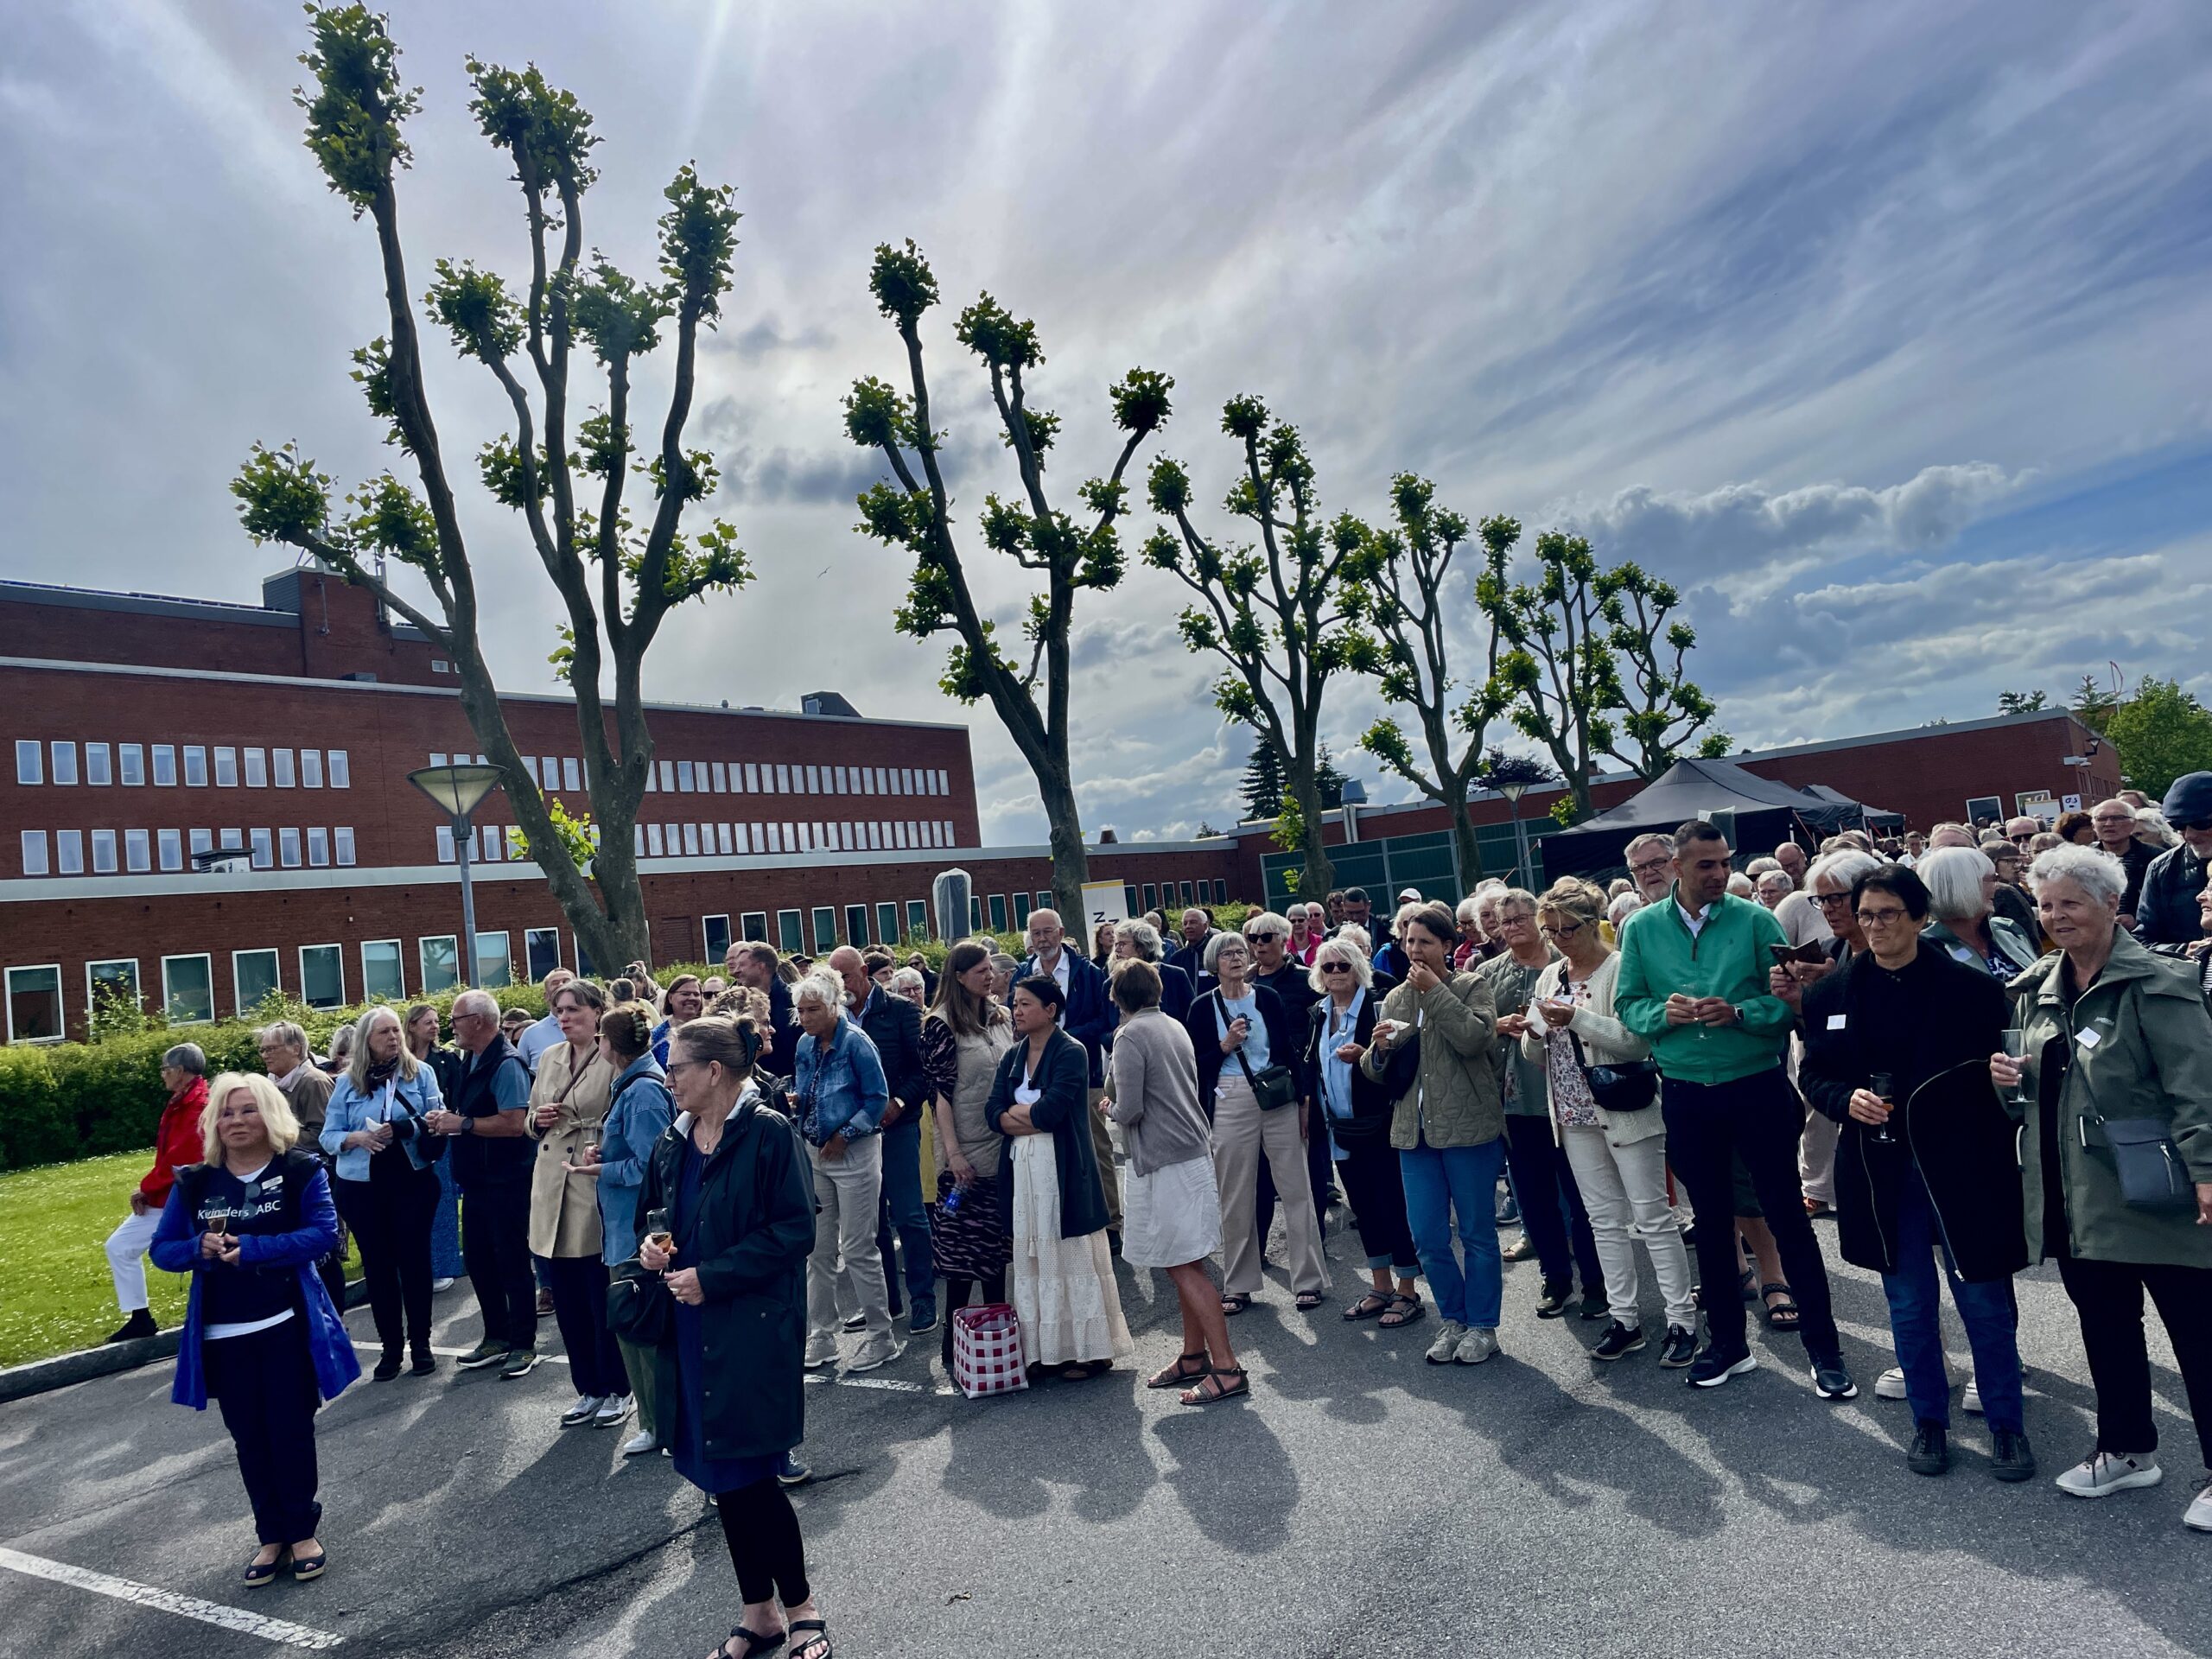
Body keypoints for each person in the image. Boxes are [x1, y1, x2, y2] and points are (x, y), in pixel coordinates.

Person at [1990, 843, 2212, 1527]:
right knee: (2106, 1324)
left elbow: (2198, 1089)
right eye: (2046, 905)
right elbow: (2026, 1101)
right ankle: (2126, 1449)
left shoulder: (2160, 984)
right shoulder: (2034, 988)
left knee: (2199, 1333)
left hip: (2161, 1189)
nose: (2057, 916)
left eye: (2072, 903)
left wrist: (2208, 1172)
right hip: (2075, 1194)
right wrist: (2007, 1082)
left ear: (2112, 904)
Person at [1800, 867, 2033, 1480]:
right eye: (1866, 914)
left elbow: (2006, 1071)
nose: (1875, 926)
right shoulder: (1831, 994)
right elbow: (1814, 1074)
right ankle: (1928, 1420)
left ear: (1919, 917)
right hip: (1881, 1168)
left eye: (1888, 914)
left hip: (1961, 1165)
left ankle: (2007, 1425)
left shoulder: (1971, 989)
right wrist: (1844, 1098)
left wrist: (2005, 1078)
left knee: (1982, 1300)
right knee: (1908, 1304)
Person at [1615, 820, 1855, 1398]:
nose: (1721, 873)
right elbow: (1628, 1004)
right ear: (1676, 867)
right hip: (1687, 1091)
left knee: (1787, 1217)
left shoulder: (1754, 919)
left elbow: (1787, 1002)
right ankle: (1727, 1344)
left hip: (1756, 1086)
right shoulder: (1642, 927)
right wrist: (1662, 1016)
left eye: (1725, 862)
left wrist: (1741, 1014)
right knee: (1713, 1223)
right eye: (1707, 864)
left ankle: (1825, 1350)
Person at [637, 1014, 830, 1659]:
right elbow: (651, 1216)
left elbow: (795, 1231)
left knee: (752, 1477)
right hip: (691, 1328)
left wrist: (713, 1277)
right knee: (725, 1480)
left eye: (677, 1067)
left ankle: (801, 1609)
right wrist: (653, 1249)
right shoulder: (674, 1140)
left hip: (752, 1330)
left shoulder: (768, 1133)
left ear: (714, 1070)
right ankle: (759, 1612)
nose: (668, 1078)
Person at [149, 1071, 356, 1586]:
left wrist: (255, 1249)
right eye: (226, 1112)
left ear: (270, 1115)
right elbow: (163, 1250)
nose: (236, 1121)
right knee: (249, 1438)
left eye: (247, 1110)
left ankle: (302, 1531)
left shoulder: (301, 1170)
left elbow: (323, 1234)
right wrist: (198, 1247)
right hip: (223, 1336)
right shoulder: (195, 1182)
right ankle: (271, 1536)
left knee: (290, 1429)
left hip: (286, 1326)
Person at [1521, 880, 1698, 1366]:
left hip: (1626, 1107)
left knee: (1653, 1219)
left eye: (1568, 929)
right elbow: (1536, 1053)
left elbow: (1636, 1042)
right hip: (1572, 1113)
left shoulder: (1620, 968)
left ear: (1592, 924)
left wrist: (1574, 1019)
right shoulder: (1550, 975)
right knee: (1603, 1222)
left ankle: (1682, 1321)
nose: (1559, 939)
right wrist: (1533, 1032)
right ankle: (1625, 1320)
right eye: (1550, 930)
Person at [1359, 903, 1506, 1364]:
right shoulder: (1396, 997)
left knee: (1477, 1234)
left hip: (1468, 1129)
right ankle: (1454, 1319)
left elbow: (1475, 1039)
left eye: (1425, 941)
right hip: (1414, 1133)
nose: (1415, 950)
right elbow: (1375, 1071)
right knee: (1426, 1237)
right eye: (1409, 941)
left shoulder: (1472, 985)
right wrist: (1378, 1051)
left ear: (1446, 945)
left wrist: (1436, 992)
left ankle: (1482, 1326)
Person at [1107, 960, 1243, 1404]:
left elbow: (1129, 1109)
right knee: (1186, 1260)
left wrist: (1108, 1107)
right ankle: (1193, 1355)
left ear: (1117, 997)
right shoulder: (1172, 1024)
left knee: (1180, 1264)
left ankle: (1227, 1367)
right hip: (1190, 1153)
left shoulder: (1129, 1035)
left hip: (1164, 1160)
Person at [992, 975, 1132, 1377]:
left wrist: (1015, 1115)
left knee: (1071, 1257)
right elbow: (992, 1113)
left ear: (1050, 1010)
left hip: (1062, 1169)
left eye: (1025, 1004)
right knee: (1034, 1260)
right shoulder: (1012, 1055)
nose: (1017, 1011)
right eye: (1015, 1003)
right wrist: (1023, 1117)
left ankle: (1090, 1351)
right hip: (1024, 1170)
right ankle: (1043, 1351)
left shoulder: (1071, 1051)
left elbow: (1051, 1113)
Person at [1481, 887, 1605, 1319]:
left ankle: (1596, 1283)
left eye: (1521, 918)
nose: (1513, 927)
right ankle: (1556, 1279)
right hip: (1517, 1101)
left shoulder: (1565, 962)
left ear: (1540, 921)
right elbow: (1474, 1031)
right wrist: (1498, 1026)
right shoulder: (1488, 972)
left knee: (1583, 1196)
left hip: (1569, 1098)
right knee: (1534, 1200)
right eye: (1505, 921)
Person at [1190, 931, 1326, 1316]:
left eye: (1239, 951)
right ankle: (1238, 1284)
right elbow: (1195, 1065)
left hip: (1277, 1094)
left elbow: (1287, 1051)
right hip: (1230, 1097)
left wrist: (1303, 1099)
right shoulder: (1203, 1006)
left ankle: (1309, 1280)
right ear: (1214, 964)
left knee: (1297, 1189)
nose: (1236, 958)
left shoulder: (1267, 997)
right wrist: (1225, 1046)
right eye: (1226, 954)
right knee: (1235, 1195)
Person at [571, 1001, 676, 1455]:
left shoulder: (642, 1091)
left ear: (609, 1044)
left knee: (642, 1329)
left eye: (601, 1036)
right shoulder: (632, 1083)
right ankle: (655, 1422)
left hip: (637, 1228)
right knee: (632, 1327)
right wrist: (603, 1154)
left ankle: (661, 1425)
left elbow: (653, 1165)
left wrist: (600, 1170)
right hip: (623, 1226)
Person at [321, 1007, 446, 1379]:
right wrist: (355, 1138)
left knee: (415, 1262)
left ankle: (421, 1343)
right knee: (378, 1267)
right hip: (361, 1186)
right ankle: (390, 1347)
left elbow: (438, 1119)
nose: (392, 1038)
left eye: (395, 1031)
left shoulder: (420, 1073)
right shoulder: (347, 1082)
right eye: (383, 1033)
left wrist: (404, 1128)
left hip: (411, 1180)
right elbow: (327, 1136)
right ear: (366, 1041)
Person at [1306, 935, 1423, 1330]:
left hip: (1378, 1122)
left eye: (1344, 965)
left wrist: (1367, 1057)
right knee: (1364, 1208)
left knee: (1391, 1205)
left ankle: (1408, 1290)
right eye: (1328, 966)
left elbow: (1400, 1064)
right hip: (1340, 1128)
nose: (1336, 972)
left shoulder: (1378, 1008)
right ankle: (1380, 1285)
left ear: (1358, 969)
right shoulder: (1318, 1013)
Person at [526, 978, 628, 1426]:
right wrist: (537, 1119)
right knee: (566, 1297)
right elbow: (530, 1117)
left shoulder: (613, 1055)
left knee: (598, 1291)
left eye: (573, 1009)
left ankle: (618, 1387)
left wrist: (602, 1145)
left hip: (590, 1174)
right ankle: (587, 1387)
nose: (564, 1018)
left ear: (597, 1012)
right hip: (552, 1180)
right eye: (559, 1011)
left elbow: (623, 1114)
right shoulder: (549, 1056)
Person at [423, 990, 540, 1377]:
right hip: (476, 1181)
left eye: (455, 1019)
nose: (450, 1026)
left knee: (511, 1262)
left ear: (478, 1021)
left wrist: (464, 1124)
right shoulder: (471, 1059)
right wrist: (449, 1119)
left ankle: (523, 1343)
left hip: (506, 1180)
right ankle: (496, 1336)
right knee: (479, 1261)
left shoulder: (506, 1063)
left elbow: (514, 1123)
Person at [791, 969, 899, 1372]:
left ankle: (881, 1335)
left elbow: (878, 1098)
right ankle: (821, 1335)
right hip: (816, 1151)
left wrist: (846, 1134)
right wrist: (798, 1102)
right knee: (818, 1250)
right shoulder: (805, 1043)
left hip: (854, 1153)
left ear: (833, 1006)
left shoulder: (856, 1042)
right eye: (801, 1011)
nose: (805, 1018)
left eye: (813, 1010)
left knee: (858, 1248)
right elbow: (810, 1090)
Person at [1773, 849, 1884, 1220]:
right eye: (1821, 900)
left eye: (1837, 898)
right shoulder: (1830, 951)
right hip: (1853, 1111)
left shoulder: (1901, 954)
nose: (1828, 909)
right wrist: (1799, 1002)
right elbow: (1821, 1044)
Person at [922, 942, 1018, 1367]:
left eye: (990, 968)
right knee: (962, 1255)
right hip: (966, 1153)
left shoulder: (1002, 1017)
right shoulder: (940, 1025)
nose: (989, 975)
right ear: (959, 977)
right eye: (980, 970)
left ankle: (997, 1342)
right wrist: (954, 1153)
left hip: (1004, 1146)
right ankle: (954, 1344)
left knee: (997, 1253)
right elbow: (940, 1095)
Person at [831, 944, 935, 1336]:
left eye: (845, 976)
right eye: (834, 978)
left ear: (864, 971)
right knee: (870, 1225)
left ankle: (923, 1300)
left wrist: (900, 1102)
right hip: (856, 1134)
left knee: (909, 1216)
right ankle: (884, 1303)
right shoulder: (835, 1016)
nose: (841, 985)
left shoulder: (901, 1010)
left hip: (898, 1126)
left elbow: (924, 1070)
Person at [1017, 909, 1121, 1245]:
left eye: (1048, 932)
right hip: (1036, 1078)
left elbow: (1104, 1021)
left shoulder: (1088, 973)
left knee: (1095, 1147)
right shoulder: (1023, 973)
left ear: (1061, 933)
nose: (1042, 939)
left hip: (1083, 1074)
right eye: (1036, 933)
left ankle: (1111, 1223)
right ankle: (1061, 1220)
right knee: (1048, 1149)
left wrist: (1064, 1038)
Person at [105, 1044, 211, 1343]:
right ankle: (140, 1318)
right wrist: (150, 1190)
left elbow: (182, 1158)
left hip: (186, 1200)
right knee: (120, 1246)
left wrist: (146, 1188)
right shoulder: (182, 1102)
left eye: (165, 1069)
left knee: (206, 1254)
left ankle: (208, 1314)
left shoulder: (198, 1106)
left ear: (180, 1071)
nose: (162, 1074)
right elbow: (169, 1158)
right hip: (168, 1196)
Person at [1247, 908, 1334, 1254]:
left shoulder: (1305, 980)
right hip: (1255, 1088)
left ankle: (1315, 1241)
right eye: (1253, 938)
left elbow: (1319, 1035)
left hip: (1298, 1084)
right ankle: (1258, 1248)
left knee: (1308, 1166)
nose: (1259, 944)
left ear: (1284, 941)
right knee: (1259, 1173)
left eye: (1266, 937)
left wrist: (1307, 1089)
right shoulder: (1244, 984)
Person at [404, 1004, 467, 1293]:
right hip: (406, 1140)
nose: (435, 1026)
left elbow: (457, 1098)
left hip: (439, 1138)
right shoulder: (396, 1062)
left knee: (441, 1205)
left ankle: (442, 1266)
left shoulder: (447, 1059)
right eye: (427, 1022)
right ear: (412, 1025)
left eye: (436, 1022)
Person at [1919, 846, 2041, 977]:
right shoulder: (1925, 949)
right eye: (1992, 879)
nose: (1996, 886)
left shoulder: (2008, 930)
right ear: (1962, 886)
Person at [2137, 772, 2212, 954]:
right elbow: (2142, 940)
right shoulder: (2161, 869)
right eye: (2178, 826)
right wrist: (2183, 951)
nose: (2190, 835)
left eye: (2201, 824)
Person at [726, 943, 799, 1073]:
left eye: (742, 965)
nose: (736, 971)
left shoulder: (793, 1002)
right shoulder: (735, 1003)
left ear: (761, 967)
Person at [2090, 798, 2160, 925]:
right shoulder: (2083, 860)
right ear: (2093, 826)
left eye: (2117, 818)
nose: (2109, 824)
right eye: (2101, 818)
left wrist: (2137, 919)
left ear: (2133, 824)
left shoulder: (2156, 858)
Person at [1113, 918, 1194, 1023]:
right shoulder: (1113, 982)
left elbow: (1193, 1019)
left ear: (1142, 947)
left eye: (1122, 944)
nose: (1117, 950)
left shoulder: (1175, 976)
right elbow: (1105, 1027)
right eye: (1116, 944)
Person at [518, 968, 574, 1072]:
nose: (561, 984)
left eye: (566, 981)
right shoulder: (530, 1034)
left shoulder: (593, 1027)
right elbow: (521, 1074)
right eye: (555, 983)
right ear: (546, 996)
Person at [653, 974, 707, 1068]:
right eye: (685, 994)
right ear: (670, 998)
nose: (692, 998)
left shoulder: (709, 1031)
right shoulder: (656, 1036)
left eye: (696, 994)